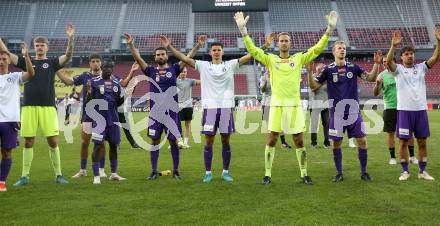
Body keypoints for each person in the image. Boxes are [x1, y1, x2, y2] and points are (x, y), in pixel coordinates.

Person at [234, 11, 338, 185]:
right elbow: (253, 50)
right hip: (276, 105)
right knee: (272, 138)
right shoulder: (271, 59)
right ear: (278, 43)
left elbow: (317, 49)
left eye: (286, 40)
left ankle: (304, 174)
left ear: (290, 43)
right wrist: (243, 31)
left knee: (298, 140)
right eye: (281, 40)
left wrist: (329, 30)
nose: (283, 43)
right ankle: (267, 174)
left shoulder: (298, 58)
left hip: (295, 105)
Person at [159, 32, 254, 183]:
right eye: (214, 50)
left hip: (225, 109)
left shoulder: (230, 65)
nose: (216, 52)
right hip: (209, 109)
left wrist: (266, 46)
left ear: (223, 52)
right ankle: (208, 173)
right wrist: (169, 47)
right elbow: (184, 58)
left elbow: (250, 56)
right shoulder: (203, 66)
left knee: (225, 141)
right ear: (210, 52)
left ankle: (225, 172)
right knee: (208, 141)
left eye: (219, 50)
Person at [0, 23, 75, 186]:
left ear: (47, 47)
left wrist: (70, 38)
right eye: (37, 45)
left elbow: (68, 56)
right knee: (28, 142)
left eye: (42, 45)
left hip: (48, 107)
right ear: (34, 47)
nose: (40, 47)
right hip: (28, 107)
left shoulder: (53, 63)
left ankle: (59, 174)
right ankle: (25, 176)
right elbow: (6, 53)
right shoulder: (26, 61)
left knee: (53, 141)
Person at [124, 33, 204, 180]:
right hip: (156, 113)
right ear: (155, 58)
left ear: (166, 56)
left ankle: (176, 171)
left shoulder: (174, 69)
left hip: (172, 113)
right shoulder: (150, 71)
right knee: (154, 141)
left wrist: (198, 46)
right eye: (157, 55)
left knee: (173, 141)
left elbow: (186, 58)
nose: (160, 56)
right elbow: (138, 59)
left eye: (162, 54)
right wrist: (130, 45)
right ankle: (154, 171)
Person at [308, 41, 382, 182]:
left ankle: (364, 172)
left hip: (354, 112)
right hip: (336, 114)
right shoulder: (328, 70)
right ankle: (339, 173)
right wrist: (310, 73)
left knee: (362, 141)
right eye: (339, 48)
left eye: (344, 48)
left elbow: (371, 78)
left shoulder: (353, 68)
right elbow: (313, 86)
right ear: (334, 52)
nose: (342, 50)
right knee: (336, 143)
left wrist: (377, 64)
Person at [386, 29, 440, 181]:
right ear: (402, 57)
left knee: (422, 141)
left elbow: (436, 56)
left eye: (411, 53)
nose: (410, 56)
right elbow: (389, 61)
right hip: (404, 112)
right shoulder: (399, 70)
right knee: (403, 141)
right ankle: (405, 171)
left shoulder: (421, 67)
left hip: (420, 111)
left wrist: (439, 42)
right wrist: (393, 46)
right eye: (406, 54)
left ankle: (422, 172)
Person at [0, 44, 35, 191]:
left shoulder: (14, 77)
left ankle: (1, 182)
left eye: (4, 58)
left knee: (7, 152)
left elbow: (31, 74)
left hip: (10, 121)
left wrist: (26, 56)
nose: (1, 61)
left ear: (9, 60)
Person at [86, 59, 127, 184]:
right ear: (101, 67)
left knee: (114, 145)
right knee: (97, 146)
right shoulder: (93, 82)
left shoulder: (115, 83)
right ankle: (96, 176)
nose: (108, 69)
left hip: (113, 119)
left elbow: (118, 103)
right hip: (99, 119)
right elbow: (90, 102)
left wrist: (125, 96)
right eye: (106, 67)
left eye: (111, 67)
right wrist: (88, 93)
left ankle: (114, 174)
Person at [373, 57, 416, 165]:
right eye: (383, 62)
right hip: (390, 107)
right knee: (391, 133)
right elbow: (375, 93)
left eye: (387, 61)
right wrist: (378, 84)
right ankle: (392, 157)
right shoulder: (381, 75)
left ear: (393, 61)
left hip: (404, 106)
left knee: (409, 133)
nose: (385, 63)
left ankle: (412, 156)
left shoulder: (401, 72)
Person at [306, 62, 330, 149]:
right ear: (317, 69)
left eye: (324, 68)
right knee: (314, 124)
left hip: (325, 104)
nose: (324, 70)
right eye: (322, 68)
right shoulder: (312, 77)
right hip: (314, 104)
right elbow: (313, 89)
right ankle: (313, 143)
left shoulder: (327, 78)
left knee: (326, 124)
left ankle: (327, 143)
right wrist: (322, 82)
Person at [176, 67, 200, 149]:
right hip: (178, 106)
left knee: (187, 124)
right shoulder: (175, 81)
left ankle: (185, 143)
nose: (183, 73)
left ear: (187, 72)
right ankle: (178, 142)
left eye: (185, 72)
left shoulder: (190, 81)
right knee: (176, 125)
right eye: (182, 72)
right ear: (179, 73)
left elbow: (200, 82)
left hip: (188, 106)